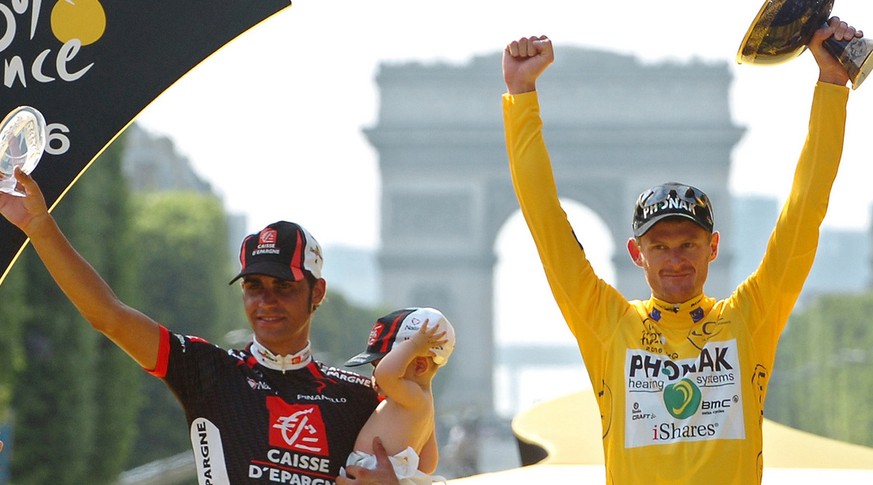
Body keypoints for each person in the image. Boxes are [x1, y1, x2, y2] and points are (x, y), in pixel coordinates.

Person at [501, 17, 861, 485]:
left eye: (688, 243)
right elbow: (545, 220)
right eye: (661, 246)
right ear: (637, 253)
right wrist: (520, 95)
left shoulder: (751, 316)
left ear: (713, 247)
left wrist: (832, 85)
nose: (675, 259)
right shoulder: (608, 324)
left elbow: (804, 210)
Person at [0, 172, 400, 484]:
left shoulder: (361, 396)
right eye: (253, 287)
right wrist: (40, 226)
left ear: (318, 292)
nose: (267, 301)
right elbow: (108, 315)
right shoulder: (209, 370)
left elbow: (420, 466)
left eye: (284, 287)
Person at [342, 307, 455, 484]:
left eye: (379, 365)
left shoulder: (413, 397)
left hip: (374, 473)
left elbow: (385, 375)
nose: (375, 377)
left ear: (419, 366)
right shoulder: (423, 405)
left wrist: (415, 345)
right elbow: (427, 464)